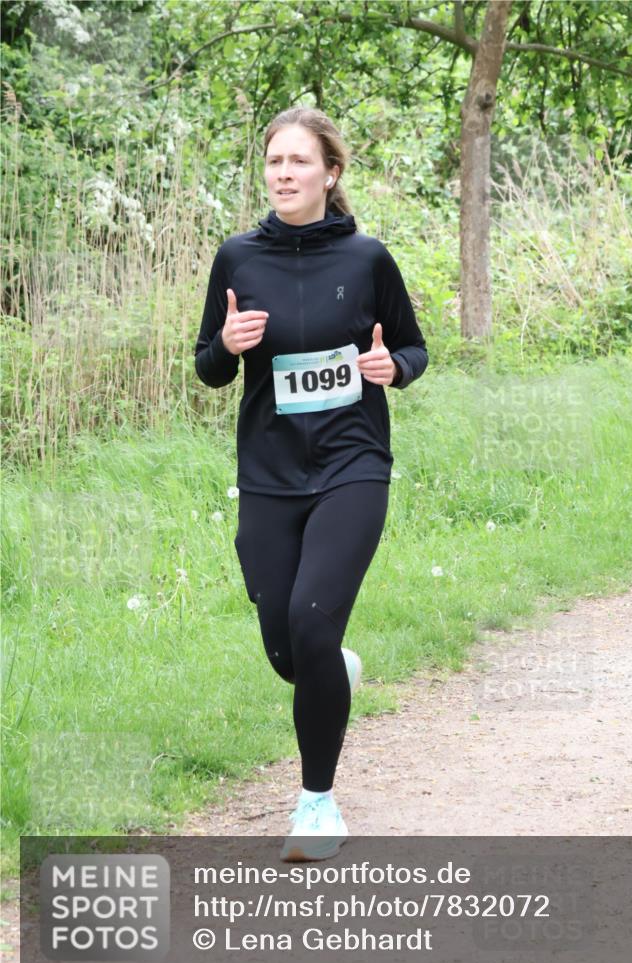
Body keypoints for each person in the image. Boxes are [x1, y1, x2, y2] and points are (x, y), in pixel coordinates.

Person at [194, 106, 428, 862]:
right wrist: (225, 346)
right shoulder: (237, 257)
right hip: (267, 472)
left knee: (313, 619)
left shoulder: (367, 259)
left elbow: (415, 350)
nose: (284, 174)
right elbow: (207, 367)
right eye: (273, 162)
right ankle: (332, 668)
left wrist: (394, 368)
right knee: (285, 638)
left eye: (298, 162)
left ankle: (317, 806)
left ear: (330, 173)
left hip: (351, 463)